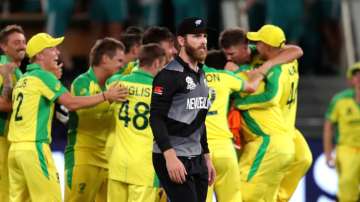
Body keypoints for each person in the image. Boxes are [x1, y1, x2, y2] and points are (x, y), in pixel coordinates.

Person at [7, 32, 127, 202]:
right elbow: (70, 103)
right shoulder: (43, 77)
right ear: (40, 55)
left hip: (15, 151)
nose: (57, 52)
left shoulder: (24, 79)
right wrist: (106, 96)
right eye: (52, 49)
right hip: (34, 148)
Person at [219, 27, 312, 201]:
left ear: (269, 47)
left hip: (278, 127)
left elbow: (271, 97)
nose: (255, 45)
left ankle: (278, 198)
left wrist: (237, 103)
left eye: (259, 43)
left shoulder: (278, 66)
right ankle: (277, 197)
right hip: (278, 127)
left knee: (303, 159)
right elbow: (295, 51)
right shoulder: (264, 56)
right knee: (302, 159)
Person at [149, 17, 216, 202]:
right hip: (174, 156)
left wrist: (207, 157)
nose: (203, 41)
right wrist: (169, 157)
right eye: (196, 36)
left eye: (204, 36)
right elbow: (156, 118)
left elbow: (198, 120)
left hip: (197, 157)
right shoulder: (168, 75)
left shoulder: (201, 73)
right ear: (181, 41)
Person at [203, 50, 277, 202]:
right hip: (225, 148)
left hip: (199, 149)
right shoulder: (225, 77)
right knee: (232, 198)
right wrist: (259, 74)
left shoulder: (189, 78)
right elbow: (251, 87)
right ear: (225, 65)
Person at [64, 37, 127, 202]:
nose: (122, 65)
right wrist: (107, 97)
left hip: (108, 159)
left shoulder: (114, 86)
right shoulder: (82, 81)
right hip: (83, 156)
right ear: (105, 59)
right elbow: (82, 108)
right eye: (119, 60)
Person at [106, 43, 166, 202]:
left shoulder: (117, 84)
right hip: (143, 166)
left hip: (118, 163)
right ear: (157, 63)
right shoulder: (161, 92)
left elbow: (109, 83)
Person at [323, 62, 360, 202]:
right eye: (357, 75)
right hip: (347, 149)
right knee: (347, 183)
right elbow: (328, 126)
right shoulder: (340, 100)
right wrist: (328, 154)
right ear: (352, 79)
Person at [0, 24, 26, 202]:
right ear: (3, 46)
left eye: (24, 42)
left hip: (11, 139)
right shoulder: (2, 67)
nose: (22, 46)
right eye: (16, 42)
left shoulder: (17, 70)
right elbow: (1, 104)